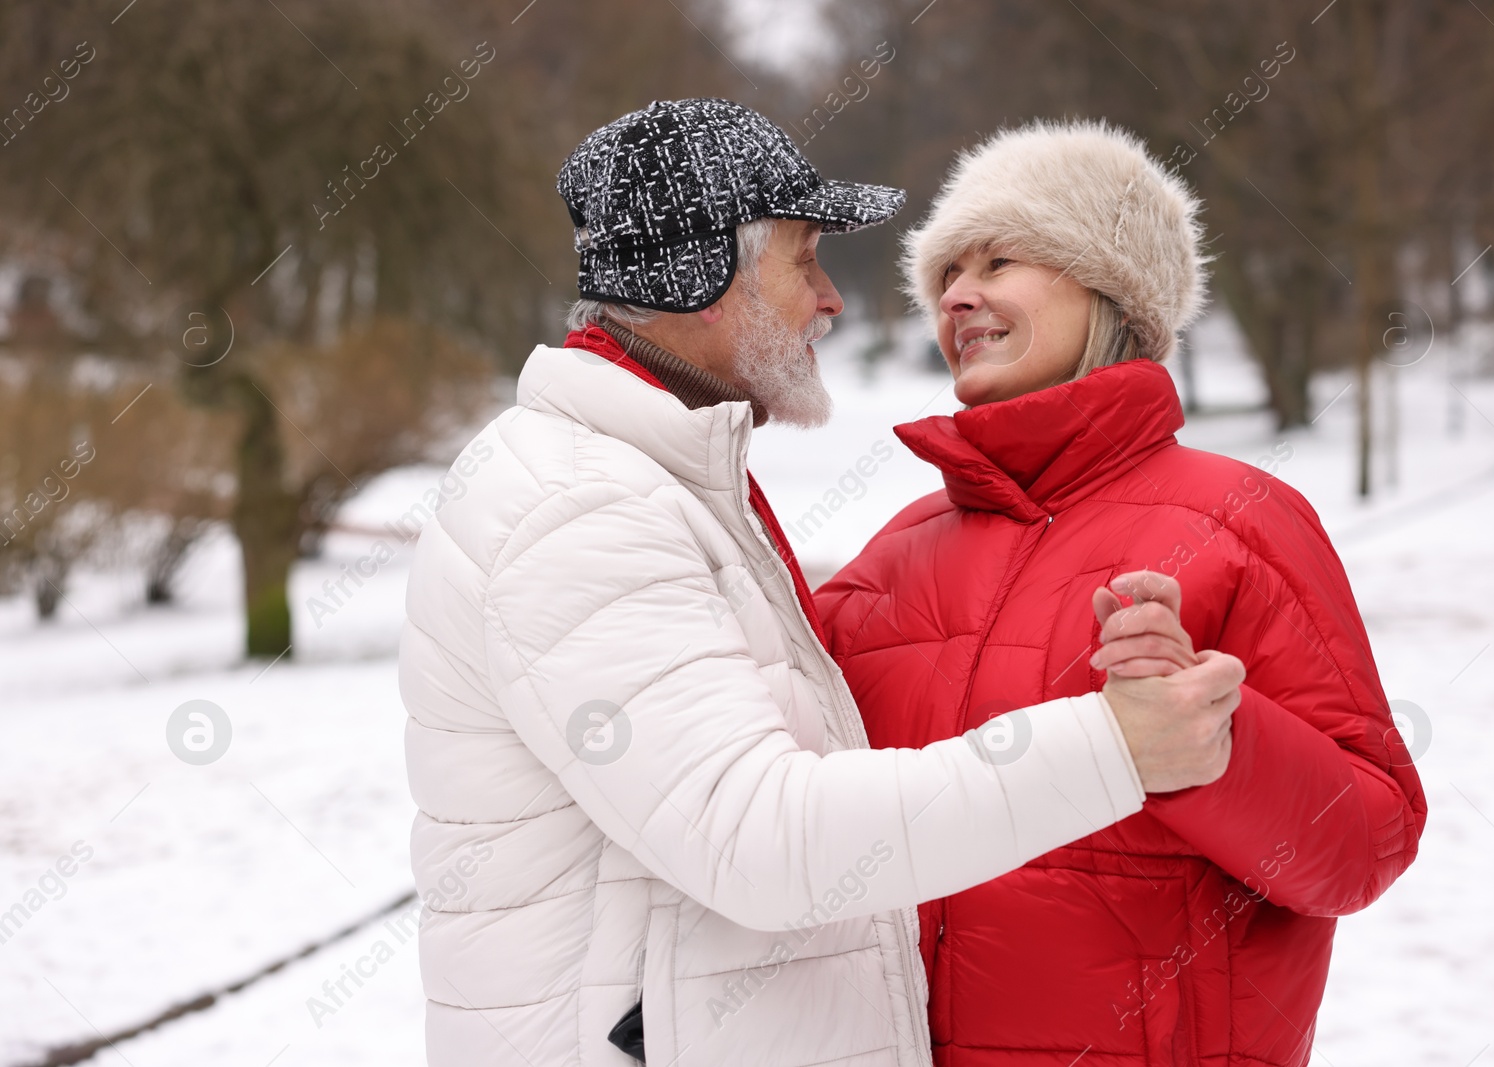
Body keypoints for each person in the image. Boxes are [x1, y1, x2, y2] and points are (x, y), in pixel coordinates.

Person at [398, 99, 1246, 1067]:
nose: (831, 297)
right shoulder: (578, 508)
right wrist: (1111, 746)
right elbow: (755, 836)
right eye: (802, 259)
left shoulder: (659, 483)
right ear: (702, 277)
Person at [814, 119, 1429, 1067]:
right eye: (945, 276)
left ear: (1111, 288)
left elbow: (1362, 845)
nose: (959, 296)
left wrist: (1213, 747)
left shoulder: (1239, 518)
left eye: (1000, 259)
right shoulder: (893, 556)